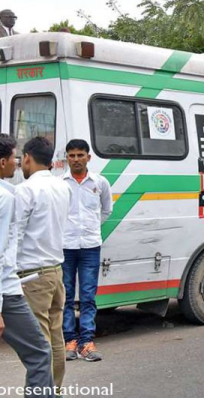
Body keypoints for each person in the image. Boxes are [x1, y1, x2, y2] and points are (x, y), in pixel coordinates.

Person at [0, 135, 55, 398]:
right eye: (13, 157)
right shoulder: (5, 198)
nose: (17, 163)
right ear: (2, 162)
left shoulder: (11, 193)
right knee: (40, 353)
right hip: (6, 293)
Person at [15, 137, 70, 389]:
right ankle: (55, 390)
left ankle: (42, 392)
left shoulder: (26, 190)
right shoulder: (62, 186)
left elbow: (14, 233)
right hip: (56, 271)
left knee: (40, 343)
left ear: (27, 157)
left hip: (33, 276)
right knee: (55, 337)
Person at [62, 139, 112, 362]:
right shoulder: (60, 184)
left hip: (91, 246)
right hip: (65, 246)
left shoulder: (100, 183)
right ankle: (69, 341)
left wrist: (90, 228)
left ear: (88, 157)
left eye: (80, 155)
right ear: (67, 158)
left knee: (88, 296)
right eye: (71, 155)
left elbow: (106, 211)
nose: (76, 159)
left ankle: (87, 343)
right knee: (65, 296)